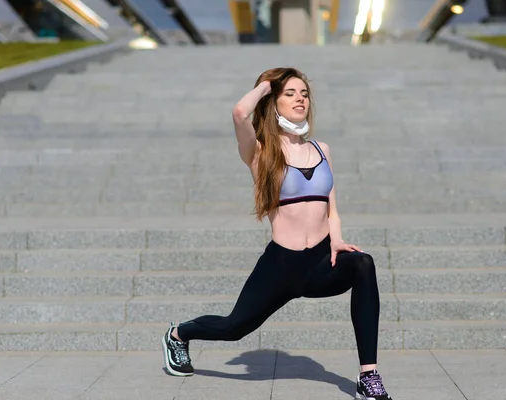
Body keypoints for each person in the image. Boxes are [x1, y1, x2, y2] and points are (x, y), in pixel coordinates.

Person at [162, 67, 393, 400]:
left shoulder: (322, 149)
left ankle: (368, 376)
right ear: (273, 101)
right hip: (281, 265)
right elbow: (240, 112)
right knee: (233, 327)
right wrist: (268, 86)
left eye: (304, 93)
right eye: (290, 93)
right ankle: (178, 334)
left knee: (363, 264)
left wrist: (338, 240)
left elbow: (332, 208)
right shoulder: (259, 152)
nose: (300, 99)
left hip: (320, 261)